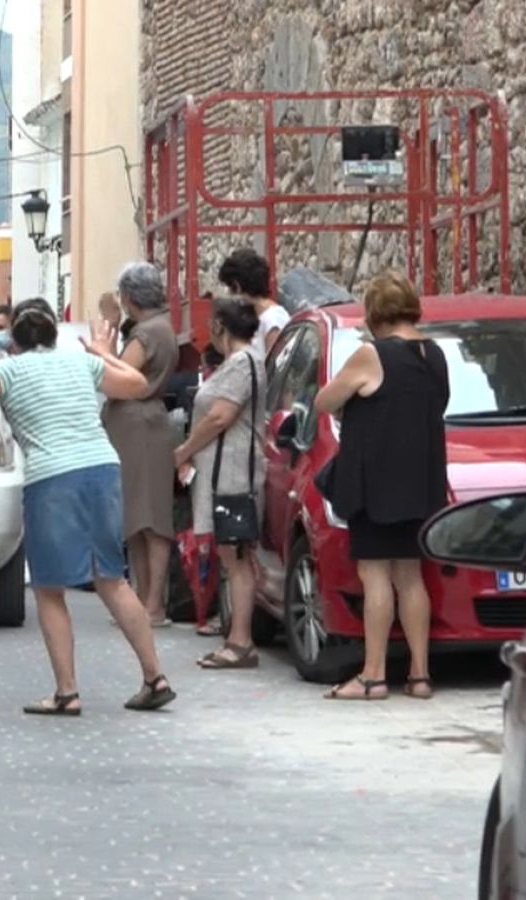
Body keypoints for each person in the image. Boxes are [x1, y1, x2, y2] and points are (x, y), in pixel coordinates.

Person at [0, 300, 176, 715]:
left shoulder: (8, 371)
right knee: (112, 579)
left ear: (14, 345)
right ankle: (155, 677)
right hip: (101, 469)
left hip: (53, 478)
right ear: (53, 337)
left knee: (49, 588)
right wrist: (101, 351)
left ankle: (67, 692)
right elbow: (135, 383)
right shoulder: (82, 365)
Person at [315, 272, 449, 701]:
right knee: (411, 575)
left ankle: (373, 676)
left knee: (375, 575)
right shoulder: (435, 354)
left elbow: (325, 401)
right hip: (421, 478)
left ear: (374, 314)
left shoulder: (373, 355)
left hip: (376, 482)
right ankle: (420, 675)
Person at [174, 298, 270, 663]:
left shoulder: (242, 364)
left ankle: (241, 641)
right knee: (232, 557)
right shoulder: (242, 363)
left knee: (236, 557)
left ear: (219, 327)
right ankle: (237, 638)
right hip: (225, 473)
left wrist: (183, 451)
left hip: (233, 476)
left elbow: (220, 417)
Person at [100, 263, 180, 627]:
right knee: (140, 515)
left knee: (149, 517)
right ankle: (146, 599)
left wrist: (103, 345)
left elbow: (117, 377)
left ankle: (152, 603)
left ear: (130, 298)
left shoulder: (147, 333)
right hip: (141, 425)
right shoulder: (159, 327)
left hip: (138, 426)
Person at [218, 247, 289, 355]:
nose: (229, 294)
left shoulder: (273, 320)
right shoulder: (257, 319)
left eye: (229, 288)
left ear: (236, 287)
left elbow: (275, 367)